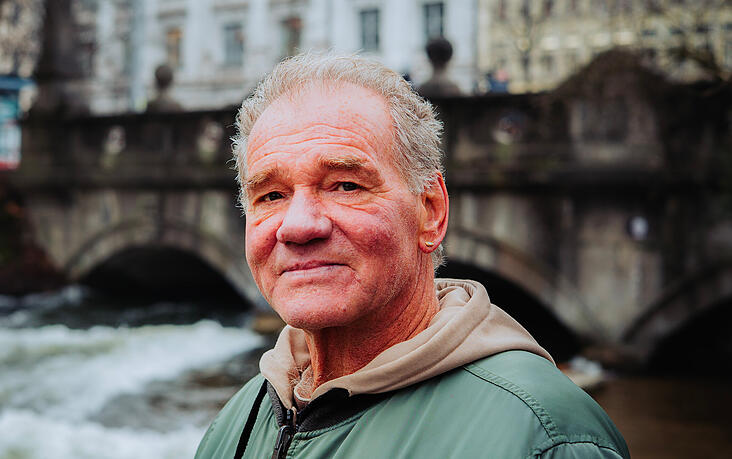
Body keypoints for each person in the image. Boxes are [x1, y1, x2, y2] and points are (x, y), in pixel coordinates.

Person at [195, 53, 628, 459]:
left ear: (431, 211)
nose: (298, 225)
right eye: (271, 195)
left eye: (346, 185)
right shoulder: (238, 420)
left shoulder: (547, 438)